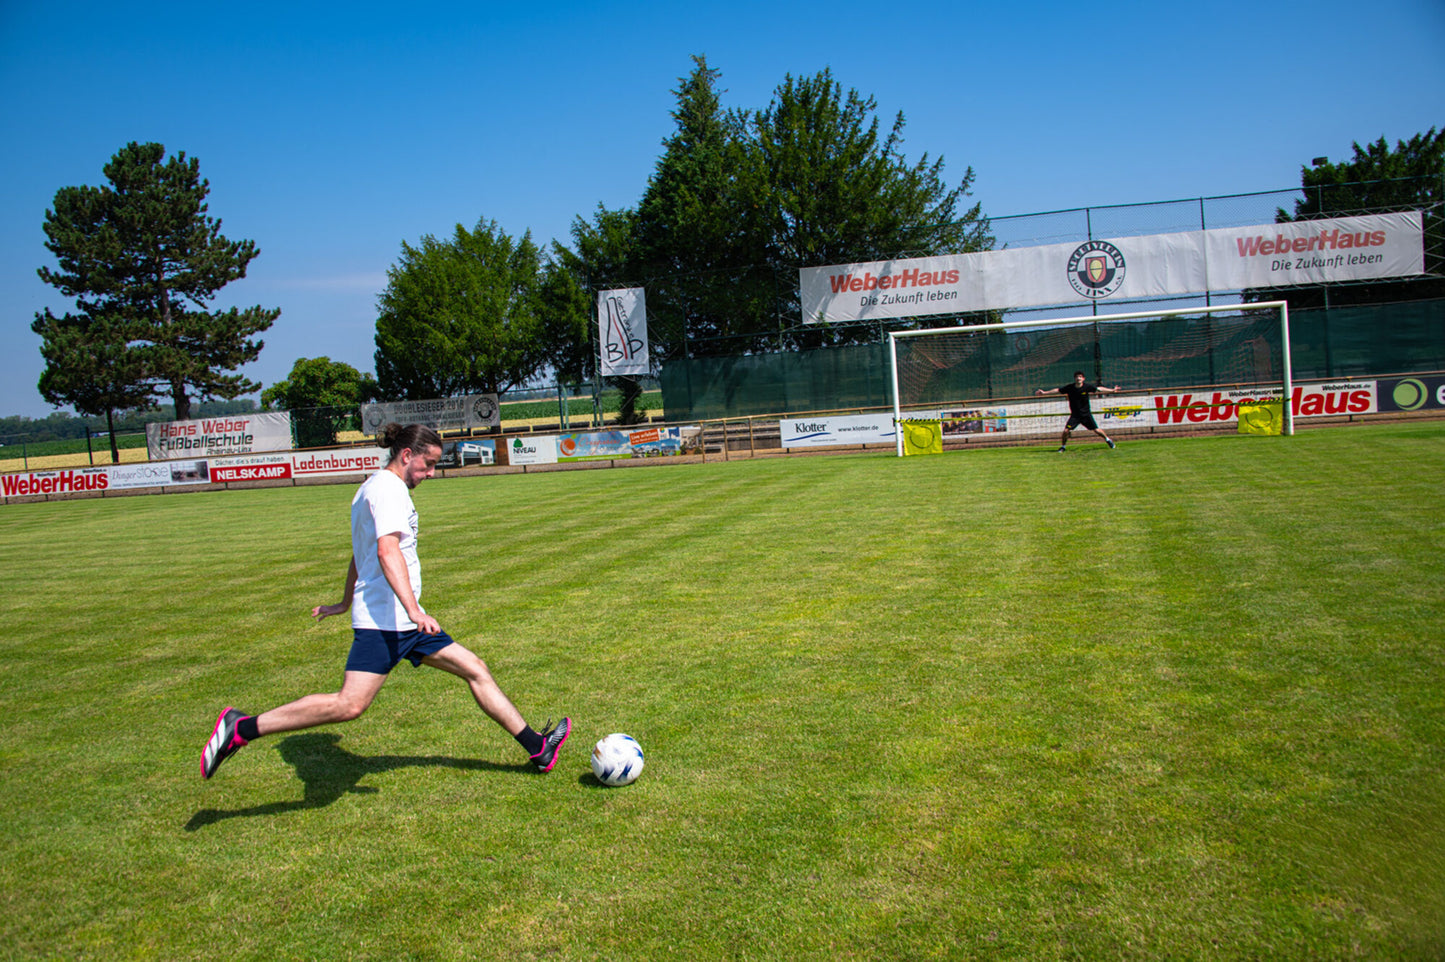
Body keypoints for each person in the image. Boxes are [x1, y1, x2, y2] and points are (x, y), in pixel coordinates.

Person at [201, 422, 570, 779]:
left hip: (406, 621)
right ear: (407, 455)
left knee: (475, 668)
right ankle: (241, 727)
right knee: (350, 704)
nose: (431, 474)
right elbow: (384, 551)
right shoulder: (389, 490)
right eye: (428, 465)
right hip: (387, 622)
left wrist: (343, 603)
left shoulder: (372, 488)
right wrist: (412, 610)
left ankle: (537, 748)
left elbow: (359, 556)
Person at [1035, 371, 1122, 452]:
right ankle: (1063, 447)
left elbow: (1099, 389)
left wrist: (1112, 390)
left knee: (1096, 430)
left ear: (1083, 378)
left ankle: (1108, 440)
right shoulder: (1070, 387)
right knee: (1066, 431)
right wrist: (1044, 393)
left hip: (1086, 414)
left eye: (1080, 377)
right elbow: (1057, 390)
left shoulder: (1087, 387)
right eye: (1077, 377)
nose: (1078, 378)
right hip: (1075, 415)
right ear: (1075, 378)